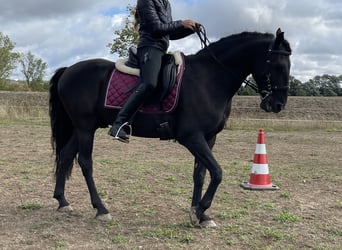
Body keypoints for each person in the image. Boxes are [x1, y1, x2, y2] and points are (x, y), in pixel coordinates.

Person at [109, 0, 200, 143]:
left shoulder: (166, 3)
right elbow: (157, 28)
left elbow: (169, 32)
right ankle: (119, 124)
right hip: (149, 48)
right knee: (150, 83)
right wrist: (182, 23)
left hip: (161, 49)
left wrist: (189, 29)